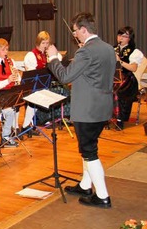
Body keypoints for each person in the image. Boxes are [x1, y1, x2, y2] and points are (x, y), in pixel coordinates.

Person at [47, 12, 116, 208]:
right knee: (89, 147)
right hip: (103, 107)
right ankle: (86, 185)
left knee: (89, 151)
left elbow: (66, 77)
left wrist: (53, 58)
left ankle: (102, 196)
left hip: (87, 110)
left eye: (76, 31)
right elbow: (94, 73)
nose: (74, 34)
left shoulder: (85, 52)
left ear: (84, 30)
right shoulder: (108, 48)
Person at [21, 31, 61, 134]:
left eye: (47, 43)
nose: (45, 46)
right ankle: (26, 125)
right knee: (34, 100)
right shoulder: (31, 55)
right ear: (38, 43)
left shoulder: (45, 54)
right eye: (43, 43)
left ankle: (32, 124)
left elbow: (58, 60)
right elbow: (32, 75)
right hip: (33, 86)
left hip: (43, 85)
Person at [114, 26, 144, 129]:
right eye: (119, 35)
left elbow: (133, 68)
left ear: (129, 38)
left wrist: (120, 61)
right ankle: (103, 118)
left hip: (128, 80)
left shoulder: (134, 52)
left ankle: (120, 119)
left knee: (117, 91)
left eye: (124, 36)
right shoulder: (112, 49)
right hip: (113, 78)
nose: (121, 38)